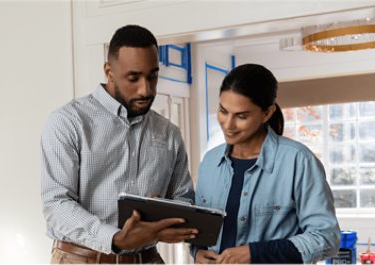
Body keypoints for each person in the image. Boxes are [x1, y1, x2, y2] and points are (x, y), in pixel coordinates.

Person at [41, 25, 197, 264]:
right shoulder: (68, 122)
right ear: (109, 71)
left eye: (152, 76)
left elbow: (184, 198)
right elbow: (56, 204)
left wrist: (166, 214)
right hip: (81, 259)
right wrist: (115, 239)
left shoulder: (169, 133)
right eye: (133, 78)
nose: (146, 89)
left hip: (148, 259)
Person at [192, 64, 341, 264]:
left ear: (267, 113)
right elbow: (202, 230)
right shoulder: (210, 161)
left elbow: (325, 238)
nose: (228, 125)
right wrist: (198, 252)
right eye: (223, 111)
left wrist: (255, 253)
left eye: (241, 116)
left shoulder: (298, 160)